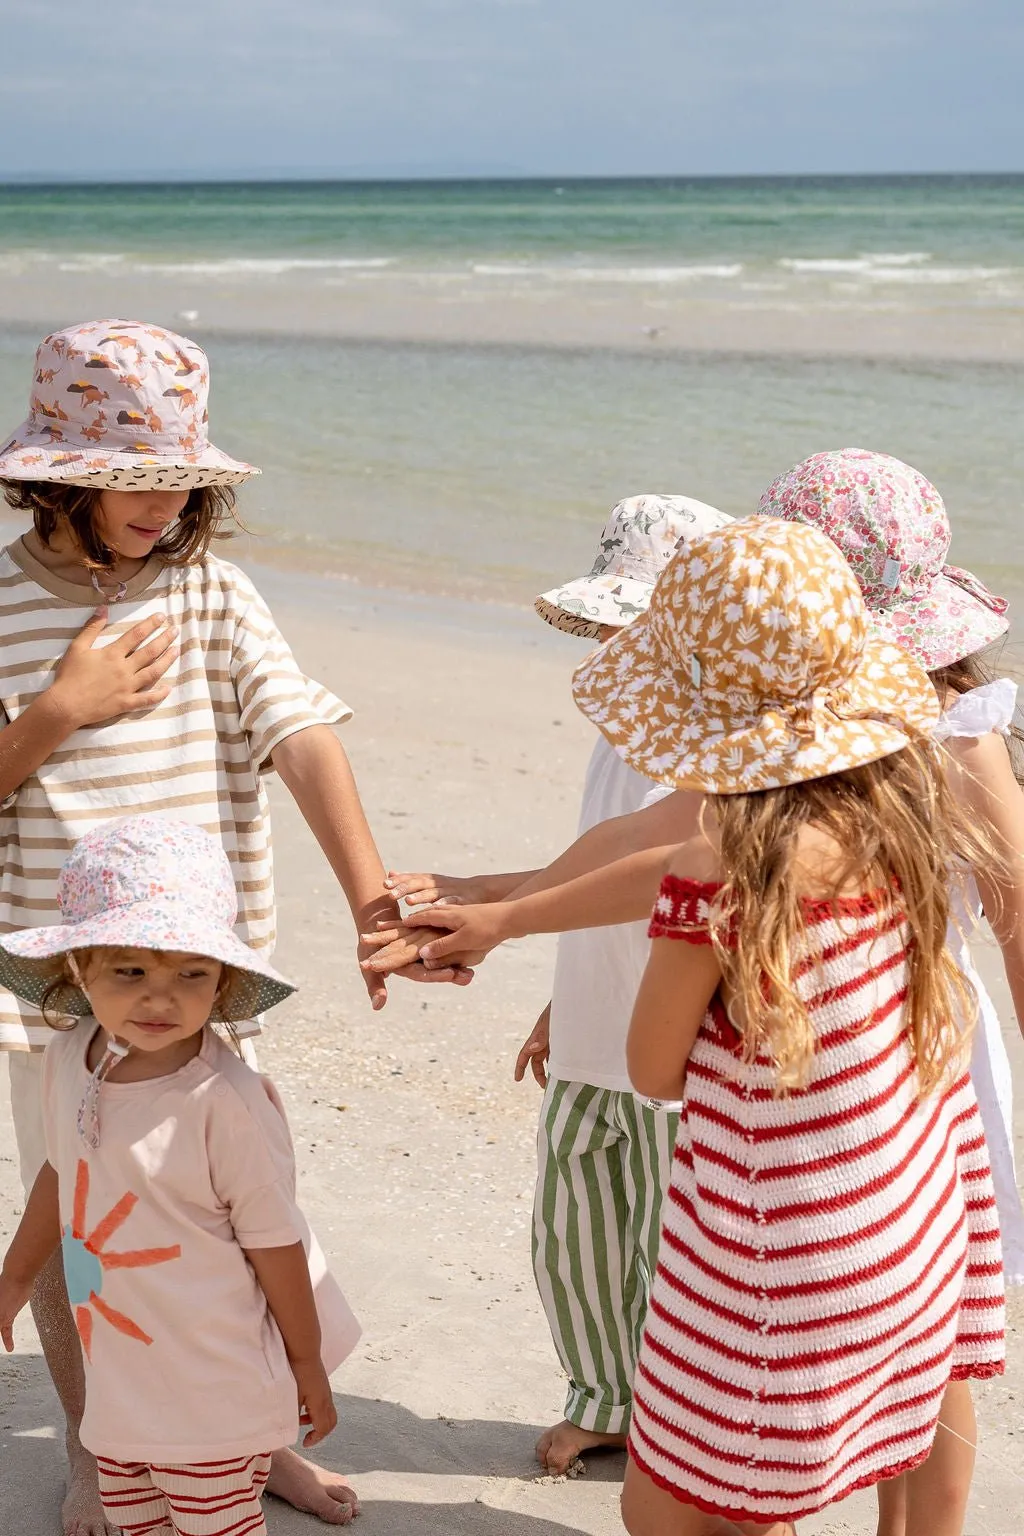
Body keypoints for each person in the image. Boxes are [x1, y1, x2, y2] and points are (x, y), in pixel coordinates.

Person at [0, 318, 462, 1536]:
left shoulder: (211, 591)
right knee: (86, 1225)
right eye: (130, 479)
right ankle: (107, 1448)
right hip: (57, 984)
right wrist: (58, 710)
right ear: (53, 472)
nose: (166, 504)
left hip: (200, 976)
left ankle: (251, 1440)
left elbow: (300, 739)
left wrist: (373, 902)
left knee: (241, 1219)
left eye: (181, 478)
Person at [570, 516, 1005, 1536]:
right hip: (906, 1223)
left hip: (775, 1261)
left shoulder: (718, 872)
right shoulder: (896, 819)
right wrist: (505, 910)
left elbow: (651, 1070)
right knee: (843, 1455)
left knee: (692, 1506)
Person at [387, 495, 732, 1474]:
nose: (619, 656)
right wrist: (552, 989)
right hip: (590, 1033)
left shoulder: (719, 751)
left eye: (640, 635)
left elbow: (662, 870)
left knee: (670, 1251)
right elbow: (596, 883)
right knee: (574, 1236)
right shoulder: (619, 737)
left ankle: (670, 1414)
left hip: (673, 1046)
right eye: (608, 634)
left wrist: (494, 910)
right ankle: (605, 1395)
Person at [755, 447, 1024, 1536]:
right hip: (839, 1037)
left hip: (934, 1041)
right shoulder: (821, 717)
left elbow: (1013, 907)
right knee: (887, 1311)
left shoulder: (958, 734)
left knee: (938, 1326)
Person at [0, 816, 362, 1536]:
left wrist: (307, 1365)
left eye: (190, 974)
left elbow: (275, 1243)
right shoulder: (71, 1056)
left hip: (214, 1389)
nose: (160, 999)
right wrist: (13, 1277)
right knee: (139, 1522)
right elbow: (59, 1170)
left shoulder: (220, 1103)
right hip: (124, 1385)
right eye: (130, 971)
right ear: (79, 967)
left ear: (223, 976)